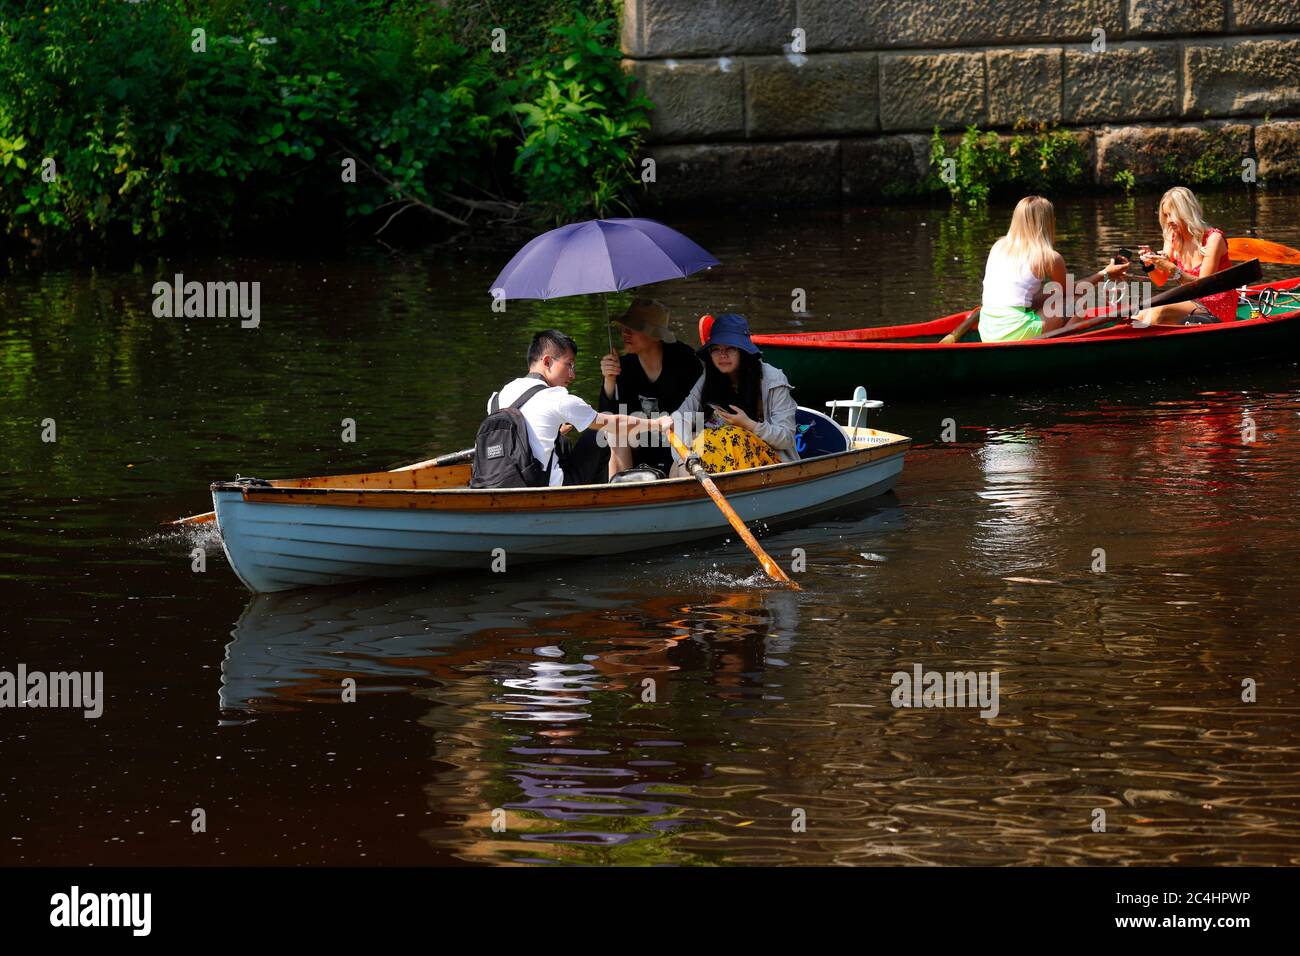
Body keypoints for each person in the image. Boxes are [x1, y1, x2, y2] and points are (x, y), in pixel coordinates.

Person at [487, 330, 661, 486]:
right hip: (547, 487)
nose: (573, 375)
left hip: (497, 482)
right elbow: (612, 421)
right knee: (602, 433)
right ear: (547, 361)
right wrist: (658, 424)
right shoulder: (557, 398)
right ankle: (619, 499)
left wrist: (556, 435)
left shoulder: (497, 397)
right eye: (569, 364)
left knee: (563, 442)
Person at [654, 313, 797, 475]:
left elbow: (786, 437)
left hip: (767, 464)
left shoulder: (772, 379)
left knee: (729, 435)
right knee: (682, 460)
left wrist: (748, 424)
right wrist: (684, 458)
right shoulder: (710, 375)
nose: (722, 355)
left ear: (743, 351)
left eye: (730, 348)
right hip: (720, 457)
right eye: (716, 349)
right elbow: (680, 415)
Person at [979, 195, 1129, 341]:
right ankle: (1063, 345)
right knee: (1078, 302)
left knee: (1049, 295)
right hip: (1016, 331)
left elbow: (1052, 294)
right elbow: (1071, 291)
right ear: (1049, 223)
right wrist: (1105, 274)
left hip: (987, 331)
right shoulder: (1049, 256)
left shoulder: (998, 246)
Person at [598, 298, 702, 475]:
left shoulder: (686, 361)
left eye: (634, 328)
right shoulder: (623, 366)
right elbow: (608, 420)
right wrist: (609, 381)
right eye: (624, 327)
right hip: (641, 441)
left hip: (679, 442)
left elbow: (700, 416)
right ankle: (620, 491)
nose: (625, 333)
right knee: (616, 434)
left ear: (655, 335)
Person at [1132, 186, 1236, 327]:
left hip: (1217, 303)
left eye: (1172, 215)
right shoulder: (1172, 237)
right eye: (1166, 215)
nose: (1168, 221)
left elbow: (1204, 287)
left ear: (1186, 212)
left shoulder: (1213, 238)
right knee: (1140, 313)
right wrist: (1149, 265)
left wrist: (1174, 270)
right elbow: (1160, 280)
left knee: (1158, 312)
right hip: (1191, 301)